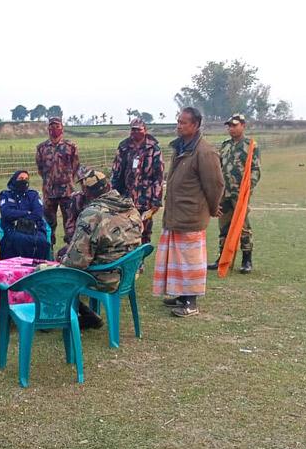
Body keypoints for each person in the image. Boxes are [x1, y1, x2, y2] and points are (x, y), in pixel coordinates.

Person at [153, 107, 223, 318]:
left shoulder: (204, 152)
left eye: (183, 122)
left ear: (195, 125)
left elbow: (215, 185)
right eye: (178, 121)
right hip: (176, 214)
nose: (179, 125)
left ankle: (191, 302)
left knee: (190, 259)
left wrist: (212, 208)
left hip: (191, 215)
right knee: (176, 258)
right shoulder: (181, 148)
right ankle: (181, 295)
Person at [60, 170, 142, 329]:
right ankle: (87, 313)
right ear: (109, 186)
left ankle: (69, 315)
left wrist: (60, 261)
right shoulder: (130, 207)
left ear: (87, 193)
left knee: (55, 271)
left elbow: (76, 262)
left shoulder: (93, 213)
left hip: (106, 276)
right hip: (128, 273)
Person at [208, 113, 261, 274]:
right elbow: (219, 167)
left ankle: (246, 260)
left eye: (235, 125)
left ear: (243, 126)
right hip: (224, 193)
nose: (231, 128)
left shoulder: (250, 145)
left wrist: (247, 190)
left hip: (240, 193)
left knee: (243, 226)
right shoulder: (225, 145)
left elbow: (255, 170)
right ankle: (222, 258)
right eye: (229, 126)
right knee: (223, 226)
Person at [110, 117, 164, 243]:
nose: (135, 133)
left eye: (138, 130)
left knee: (145, 232)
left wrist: (156, 201)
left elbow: (158, 177)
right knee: (124, 231)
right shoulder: (124, 147)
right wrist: (113, 195)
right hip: (125, 199)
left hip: (146, 200)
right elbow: (116, 173)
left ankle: (141, 261)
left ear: (145, 130)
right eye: (133, 130)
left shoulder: (154, 149)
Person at [35, 116, 79, 246]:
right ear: (48, 129)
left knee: (70, 224)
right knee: (48, 225)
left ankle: (69, 253)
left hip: (67, 192)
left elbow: (75, 166)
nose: (54, 129)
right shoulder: (41, 148)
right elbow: (40, 168)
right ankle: (49, 251)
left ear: (62, 128)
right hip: (49, 192)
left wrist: (68, 179)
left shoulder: (70, 146)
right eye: (51, 127)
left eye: (57, 127)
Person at [0, 170, 51, 260]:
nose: (24, 181)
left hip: (34, 229)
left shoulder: (33, 195)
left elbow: (38, 213)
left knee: (42, 242)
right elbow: (6, 213)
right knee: (19, 240)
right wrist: (27, 212)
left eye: (26, 179)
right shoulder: (6, 195)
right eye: (21, 178)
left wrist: (18, 216)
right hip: (13, 229)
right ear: (14, 180)